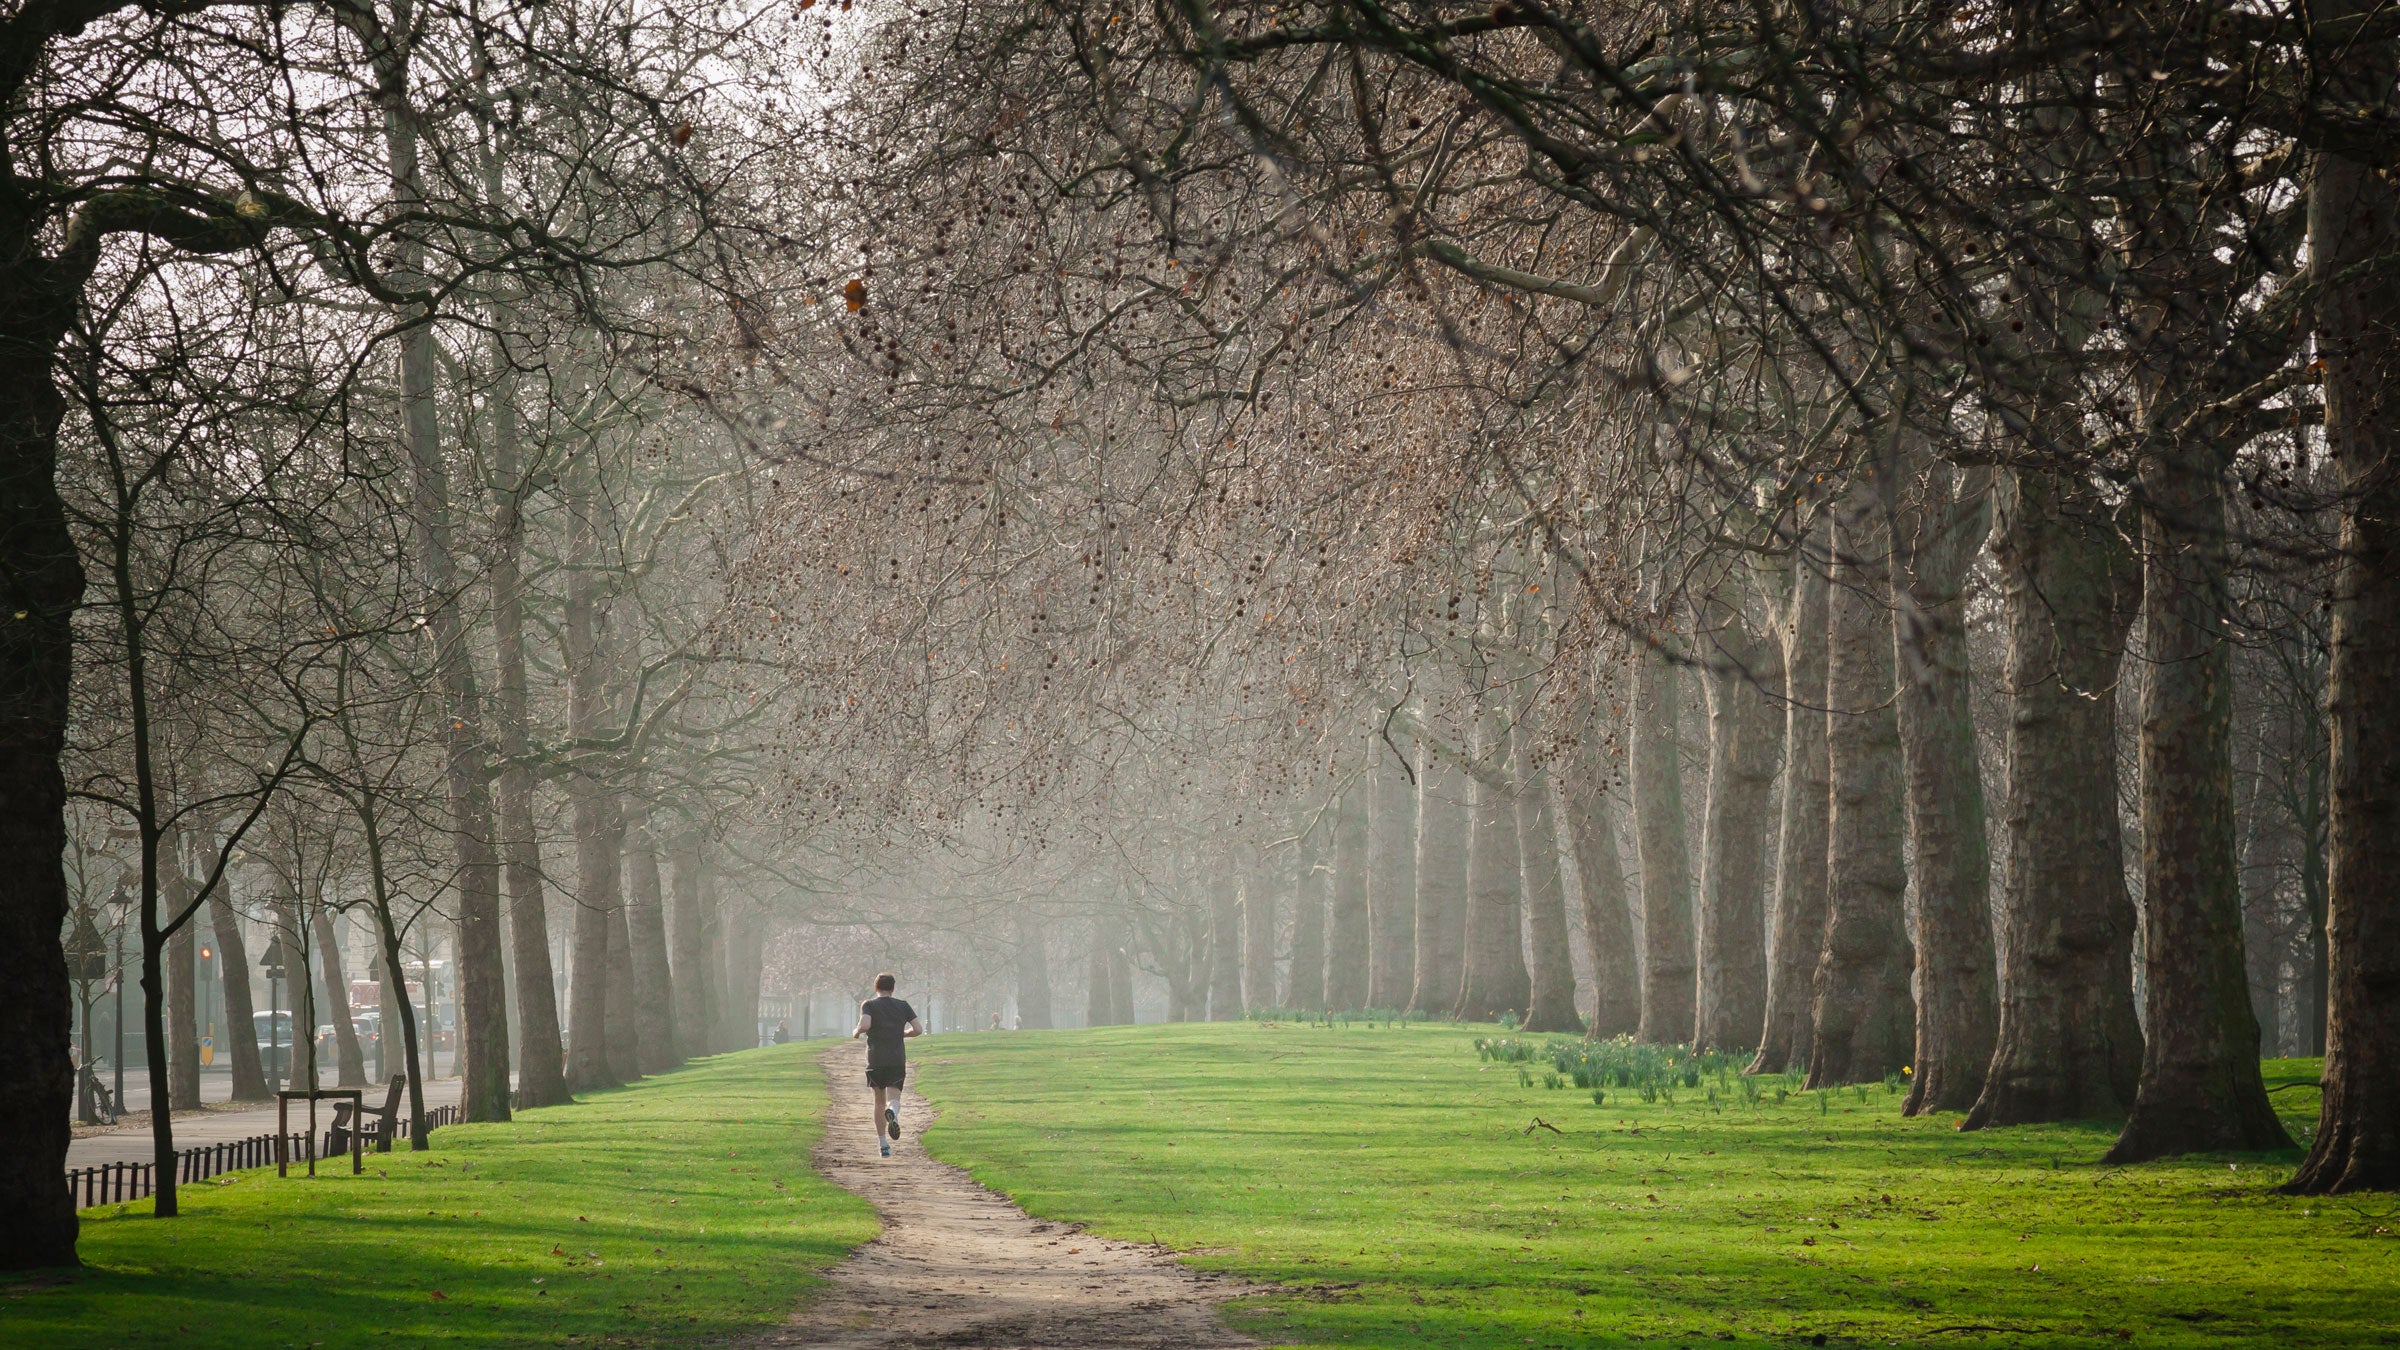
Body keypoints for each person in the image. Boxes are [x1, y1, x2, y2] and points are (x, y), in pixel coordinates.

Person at [851, 973, 921, 1157]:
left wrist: (856, 1031)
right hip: (896, 1058)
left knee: (878, 1101)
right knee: (893, 1098)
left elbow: (865, 1025)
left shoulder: (869, 1004)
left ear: (876, 987)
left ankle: (883, 1145)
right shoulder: (903, 1005)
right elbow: (918, 1030)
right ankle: (893, 1111)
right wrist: (901, 1034)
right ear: (893, 988)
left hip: (876, 1059)